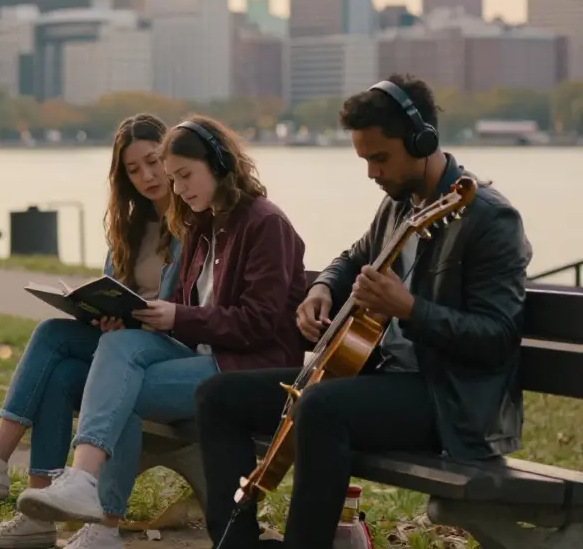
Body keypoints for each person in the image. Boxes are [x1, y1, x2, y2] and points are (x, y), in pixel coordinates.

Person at [195, 75, 531, 549]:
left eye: (380, 158)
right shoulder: (399, 206)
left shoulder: (489, 219)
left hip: (450, 401)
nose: (372, 173)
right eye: (364, 159)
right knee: (218, 396)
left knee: (321, 407)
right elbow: (352, 257)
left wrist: (410, 309)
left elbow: (496, 338)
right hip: (383, 379)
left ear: (423, 140)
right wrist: (322, 290)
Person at [13, 117, 309, 549]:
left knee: (124, 391)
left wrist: (177, 317)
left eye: (185, 176)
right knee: (118, 344)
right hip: (205, 358)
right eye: (175, 179)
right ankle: (85, 491)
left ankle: (102, 521)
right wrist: (140, 316)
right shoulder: (202, 226)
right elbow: (193, 317)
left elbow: (259, 323)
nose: (180, 189)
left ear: (219, 162)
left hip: (248, 370)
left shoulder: (264, 223)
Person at [0, 114, 186, 549]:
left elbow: (192, 304)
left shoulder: (192, 224)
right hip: (122, 342)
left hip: (168, 349)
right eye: (133, 169)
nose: (147, 176)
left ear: (171, 158)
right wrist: (100, 311)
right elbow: (115, 288)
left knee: (60, 346)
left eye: (153, 161)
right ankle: (38, 510)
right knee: (57, 354)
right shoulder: (129, 224)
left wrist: (135, 319)